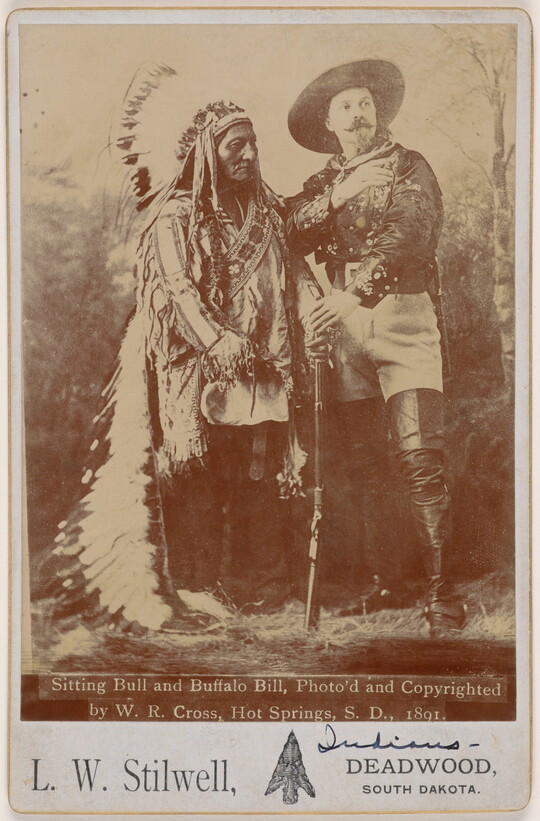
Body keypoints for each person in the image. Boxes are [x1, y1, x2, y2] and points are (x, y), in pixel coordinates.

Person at [51, 69, 322, 632]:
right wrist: (217, 340)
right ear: (207, 153)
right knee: (201, 474)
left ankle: (262, 587)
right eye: (234, 146)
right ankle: (198, 587)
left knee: (257, 474)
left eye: (252, 144)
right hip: (197, 370)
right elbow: (175, 290)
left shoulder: (267, 213)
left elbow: (293, 273)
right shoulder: (174, 217)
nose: (248, 154)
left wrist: (314, 313)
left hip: (263, 368)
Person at [286, 60, 466, 638]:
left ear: (378, 110)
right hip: (343, 334)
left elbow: (409, 237)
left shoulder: (410, 166)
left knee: (421, 459)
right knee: (364, 464)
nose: (358, 114)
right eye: (345, 107)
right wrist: (337, 198)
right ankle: (388, 581)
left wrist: (352, 296)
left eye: (365, 103)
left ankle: (442, 598)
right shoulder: (325, 182)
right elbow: (289, 230)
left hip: (402, 317)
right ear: (329, 122)